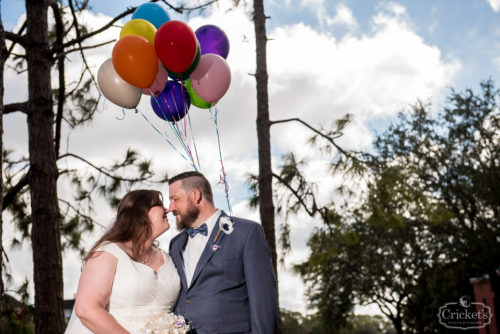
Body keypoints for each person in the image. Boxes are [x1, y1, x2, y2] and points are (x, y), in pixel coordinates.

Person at [168, 171, 279, 334]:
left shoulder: (247, 233)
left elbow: (264, 304)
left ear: (196, 196)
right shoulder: (175, 244)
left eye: (175, 199)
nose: (170, 208)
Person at [65, 189, 181, 334]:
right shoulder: (108, 253)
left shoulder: (168, 259)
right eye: (158, 204)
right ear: (140, 213)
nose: (166, 209)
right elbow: (86, 309)